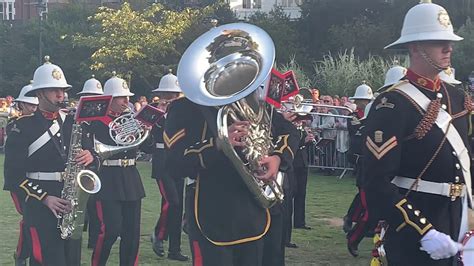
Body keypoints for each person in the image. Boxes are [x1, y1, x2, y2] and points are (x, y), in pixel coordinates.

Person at [362, 1, 470, 265]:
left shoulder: (457, 97)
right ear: (414, 47)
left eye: (448, 41)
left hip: (460, 220)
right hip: (414, 230)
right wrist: (424, 231)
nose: (448, 48)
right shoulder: (393, 104)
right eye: (437, 42)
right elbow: (376, 181)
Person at [4, 56, 97, 265]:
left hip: (70, 204)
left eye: (62, 90)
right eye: (54, 90)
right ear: (39, 93)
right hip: (39, 208)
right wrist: (45, 198)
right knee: (46, 261)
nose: (60, 94)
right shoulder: (22, 127)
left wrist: (91, 156)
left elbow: (92, 155)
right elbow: (12, 177)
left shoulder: (73, 122)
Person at [88, 73, 153, 266]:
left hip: (130, 177)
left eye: (128, 97)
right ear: (110, 98)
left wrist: (147, 128)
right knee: (110, 231)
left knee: (132, 234)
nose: (127, 101)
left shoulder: (130, 119)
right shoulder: (96, 121)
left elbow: (147, 148)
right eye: (122, 97)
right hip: (108, 178)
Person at [147, 70, 188, 261]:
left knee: (176, 207)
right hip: (162, 161)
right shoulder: (154, 114)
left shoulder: (183, 113)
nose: (171, 99)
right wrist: (160, 114)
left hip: (178, 160)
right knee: (172, 202)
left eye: (175, 96)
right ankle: (159, 234)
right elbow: (147, 144)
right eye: (168, 96)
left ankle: (174, 249)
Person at [4, 83, 39, 266]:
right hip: (20, 181)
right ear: (21, 105)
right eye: (30, 104)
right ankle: (21, 254)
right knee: (28, 219)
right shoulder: (14, 126)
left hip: (39, 180)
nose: (34, 107)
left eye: (35, 105)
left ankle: (27, 254)